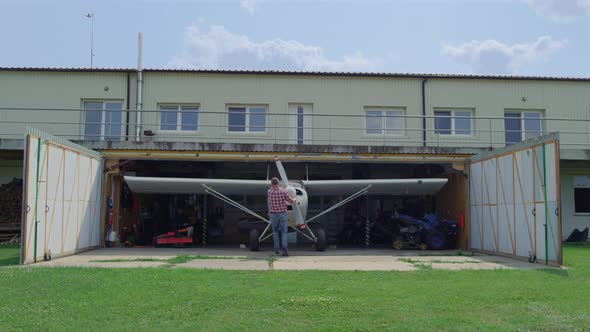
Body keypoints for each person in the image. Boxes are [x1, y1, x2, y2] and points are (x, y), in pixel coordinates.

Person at [267, 177, 296, 256]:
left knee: (275, 232)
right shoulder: (283, 192)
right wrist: (294, 199)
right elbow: (290, 200)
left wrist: (282, 188)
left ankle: (276, 250)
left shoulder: (269, 192)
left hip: (273, 215)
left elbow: (274, 189)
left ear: (271, 184)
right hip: (283, 214)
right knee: (284, 232)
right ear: (278, 183)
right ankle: (285, 251)